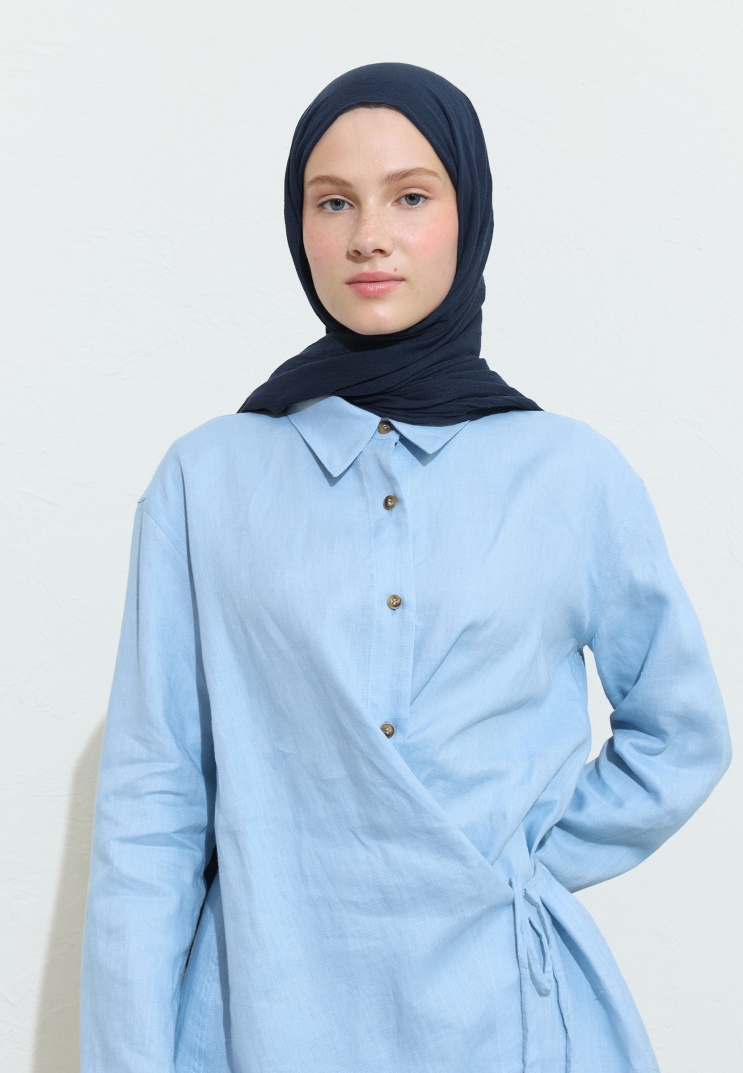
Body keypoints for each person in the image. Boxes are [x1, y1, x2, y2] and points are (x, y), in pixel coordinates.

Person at [80, 62, 732, 1073]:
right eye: (332, 201)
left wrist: (513, 866)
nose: (367, 236)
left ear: (468, 216)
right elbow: (151, 804)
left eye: (410, 197)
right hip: (262, 1022)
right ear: (297, 225)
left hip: (506, 1019)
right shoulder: (205, 480)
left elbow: (680, 729)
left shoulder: (569, 474)